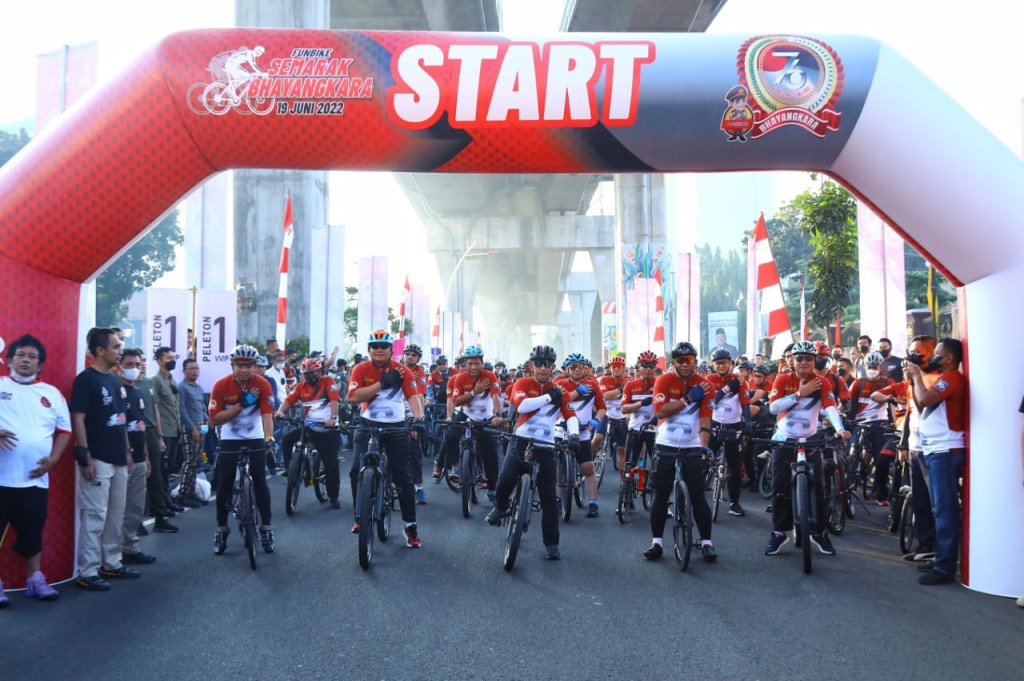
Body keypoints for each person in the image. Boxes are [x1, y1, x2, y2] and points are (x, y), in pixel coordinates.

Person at [486, 345, 578, 561]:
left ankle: (552, 543)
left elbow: (571, 416)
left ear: (553, 367)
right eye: (538, 363)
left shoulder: (561, 392)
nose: (542, 368)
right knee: (506, 478)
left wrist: (574, 435)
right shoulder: (522, 383)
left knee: (549, 499)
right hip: (521, 441)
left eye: (547, 364)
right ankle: (500, 507)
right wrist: (548, 397)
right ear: (531, 366)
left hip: (546, 446)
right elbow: (522, 407)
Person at [0, 335, 71, 605]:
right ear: (9, 360)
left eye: (32, 357)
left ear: (40, 364)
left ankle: (35, 580)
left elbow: (64, 430)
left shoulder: (52, 393)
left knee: (32, 532)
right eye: (20, 355)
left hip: (35, 479)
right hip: (2, 478)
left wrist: (54, 459)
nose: (25, 360)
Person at [763, 340, 850, 558]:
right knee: (780, 487)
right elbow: (773, 408)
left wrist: (840, 429)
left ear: (814, 361)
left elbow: (830, 408)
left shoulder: (822, 382)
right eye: (799, 358)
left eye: (809, 358)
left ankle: (819, 532)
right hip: (784, 439)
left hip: (810, 440)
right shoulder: (783, 379)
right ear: (792, 360)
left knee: (818, 487)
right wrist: (799, 394)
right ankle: (779, 533)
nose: (804, 362)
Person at [71, 328, 140, 591]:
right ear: (100, 351)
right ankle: (87, 571)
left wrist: (127, 451)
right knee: (94, 517)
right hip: (97, 459)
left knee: (115, 515)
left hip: (119, 458)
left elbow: (121, 420)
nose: (120, 351)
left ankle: (111, 563)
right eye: (116, 347)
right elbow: (78, 418)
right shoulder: (85, 380)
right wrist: (85, 455)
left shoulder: (114, 379)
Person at [347, 330, 425, 548]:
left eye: (383, 346)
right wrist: (382, 384)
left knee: (403, 477)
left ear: (391, 350)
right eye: (375, 346)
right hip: (367, 424)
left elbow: (413, 397)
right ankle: (359, 515)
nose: (379, 350)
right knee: (355, 470)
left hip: (396, 426)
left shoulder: (403, 370)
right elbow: (353, 398)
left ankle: (410, 526)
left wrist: (418, 419)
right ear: (369, 350)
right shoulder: (360, 369)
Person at [643, 341, 718, 562]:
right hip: (665, 443)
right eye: (681, 360)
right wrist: (688, 398)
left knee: (698, 497)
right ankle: (657, 542)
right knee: (660, 496)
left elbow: (705, 420)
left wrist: (704, 446)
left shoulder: (705, 385)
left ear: (696, 361)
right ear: (674, 362)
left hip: (692, 444)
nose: (686, 364)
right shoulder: (663, 381)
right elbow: (661, 412)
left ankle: (707, 542)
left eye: (690, 360)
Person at [907, 338, 967, 585]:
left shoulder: (952, 378)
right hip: (936, 451)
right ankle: (942, 559)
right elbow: (922, 407)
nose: (932, 358)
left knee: (944, 510)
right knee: (938, 508)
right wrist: (915, 380)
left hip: (945, 451)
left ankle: (945, 566)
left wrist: (917, 376)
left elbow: (924, 401)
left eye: (937, 354)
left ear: (949, 358)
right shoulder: (945, 378)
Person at [209, 345, 276, 555]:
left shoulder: (262, 384)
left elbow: (267, 415)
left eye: (248, 366)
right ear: (232, 365)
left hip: (255, 434)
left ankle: (266, 528)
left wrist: (269, 438)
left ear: (254, 366)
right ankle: (222, 529)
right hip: (230, 436)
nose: (244, 370)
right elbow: (214, 419)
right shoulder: (221, 385)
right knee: (225, 481)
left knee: (260, 479)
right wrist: (240, 405)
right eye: (239, 365)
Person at [275, 358, 342, 509]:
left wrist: (332, 418)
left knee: (331, 464)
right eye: (306, 373)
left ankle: (333, 496)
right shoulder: (301, 387)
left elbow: (334, 401)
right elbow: (289, 400)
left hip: (328, 430)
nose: (309, 376)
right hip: (310, 428)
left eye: (312, 373)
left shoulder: (328, 381)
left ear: (319, 372)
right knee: (287, 439)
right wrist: (280, 412)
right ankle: (290, 469)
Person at [442, 345, 503, 503]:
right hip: (466, 415)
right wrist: (475, 391)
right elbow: (457, 401)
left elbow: (496, 398)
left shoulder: (490, 376)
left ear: (482, 363)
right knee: (450, 435)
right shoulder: (460, 378)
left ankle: (492, 489)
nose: (473, 367)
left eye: (476, 363)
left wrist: (498, 415)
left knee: (490, 454)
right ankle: (456, 466)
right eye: (470, 364)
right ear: (466, 364)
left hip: (486, 418)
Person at [117, 348, 157, 566]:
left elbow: (141, 426)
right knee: (118, 509)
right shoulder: (116, 391)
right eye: (129, 364)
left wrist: (146, 455)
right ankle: (114, 554)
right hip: (123, 459)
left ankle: (131, 548)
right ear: (119, 366)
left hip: (141, 458)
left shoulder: (139, 393)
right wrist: (127, 452)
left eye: (137, 364)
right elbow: (120, 425)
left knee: (136, 507)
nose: (134, 368)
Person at [555, 353, 607, 517]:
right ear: (567, 369)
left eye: (581, 367)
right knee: (558, 468)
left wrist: (597, 419)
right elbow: (558, 401)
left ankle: (593, 502)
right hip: (562, 430)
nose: (577, 370)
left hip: (583, 431)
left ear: (585, 369)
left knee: (588, 467)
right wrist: (577, 392)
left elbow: (602, 407)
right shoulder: (560, 383)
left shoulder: (593, 385)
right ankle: (556, 500)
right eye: (573, 367)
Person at [704, 348, 751, 517]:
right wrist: (726, 389)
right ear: (713, 365)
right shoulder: (709, 379)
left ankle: (734, 503)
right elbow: (710, 403)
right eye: (717, 363)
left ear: (730, 364)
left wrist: (748, 423)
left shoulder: (740, 381)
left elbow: (745, 404)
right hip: (715, 425)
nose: (721, 366)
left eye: (724, 363)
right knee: (703, 460)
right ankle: (698, 494)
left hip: (734, 426)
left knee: (734, 469)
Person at [135, 358, 177, 533]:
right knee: (137, 479)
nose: (139, 366)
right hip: (135, 431)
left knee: (156, 477)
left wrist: (159, 436)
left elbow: (156, 410)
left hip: (152, 431)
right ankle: (135, 522)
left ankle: (160, 518)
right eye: (133, 363)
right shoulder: (123, 384)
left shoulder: (148, 383)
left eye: (140, 362)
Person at [847, 352, 895, 505]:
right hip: (860, 422)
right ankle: (847, 487)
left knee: (881, 458)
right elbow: (847, 403)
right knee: (852, 450)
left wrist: (894, 423)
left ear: (880, 368)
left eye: (875, 367)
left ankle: (880, 494)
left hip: (879, 423)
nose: (872, 369)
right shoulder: (857, 383)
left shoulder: (888, 382)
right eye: (869, 367)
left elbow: (893, 405)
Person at [176, 358, 209, 507]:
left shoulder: (199, 388)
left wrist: (207, 421)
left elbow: (202, 407)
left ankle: (191, 491)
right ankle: (183, 493)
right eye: (191, 368)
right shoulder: (182, 387)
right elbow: (182, 410)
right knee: (189, 461)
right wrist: (192, 429)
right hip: (190, 427)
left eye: (196, 368)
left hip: (201, 425)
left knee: (196, 462)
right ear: (184, 371)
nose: (195, 371)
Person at [400, 344, 429, 504]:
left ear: (418, 359)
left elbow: (420, 397)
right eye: (408, 354)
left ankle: (418, 487)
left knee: (414, 454)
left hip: (412, 412)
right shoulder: (395, 368)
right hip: (393, 413)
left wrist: (418, 420)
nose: (410, 357)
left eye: (414, 355)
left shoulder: (420, 372)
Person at [151, 346, 183, 488]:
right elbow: (154, 406)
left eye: (173, 358)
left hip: (175, 429)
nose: (172, 360)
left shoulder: (172, 380)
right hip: (164, 431)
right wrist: (159, 434)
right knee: (161, 467)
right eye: (168, 358)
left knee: (170, 467)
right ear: (159, 361)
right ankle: (161, 497)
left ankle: (166, 494)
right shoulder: (155, 380)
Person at [593, 355, 629, 476]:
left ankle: (623, 479)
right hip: (606, 414)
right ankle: (590, 460)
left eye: (619, 366)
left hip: (621, 417)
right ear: (610, 368)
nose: (616, 369)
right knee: (597, 439)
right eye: (614, 367)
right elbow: (605, 396)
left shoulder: (629, 382)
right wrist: (621, 389)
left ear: (623, 368)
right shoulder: (604, 380)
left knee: (622, 449)